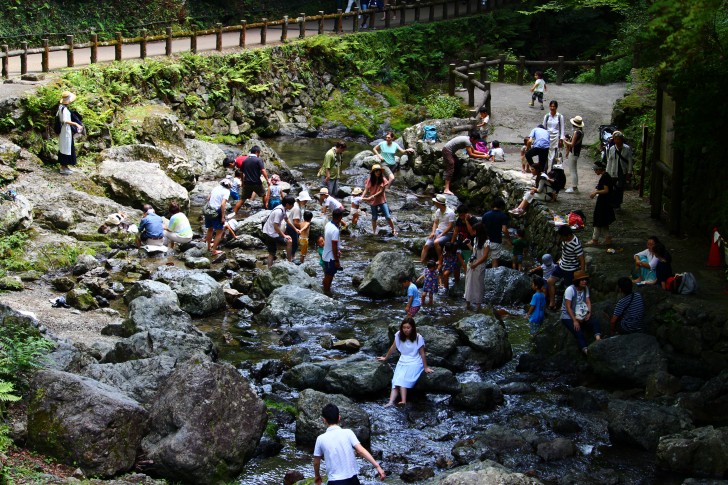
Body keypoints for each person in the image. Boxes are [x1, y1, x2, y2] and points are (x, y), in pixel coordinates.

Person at [313, 403, 386, 485]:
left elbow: (316, 462)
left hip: (335, 481)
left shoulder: (320, 439)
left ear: (324, 420)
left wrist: (317, 476)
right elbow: (361, 451)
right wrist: (377, 466)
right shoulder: (348, 433)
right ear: (339, 418)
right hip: (352, 480)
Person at [376, 317, 433, 407]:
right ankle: (391, 402)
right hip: (403, 360)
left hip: (415, 361)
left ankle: (403, 400)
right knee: (395, 381)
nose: (405, 330)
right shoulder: (398, 335)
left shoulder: (418, 337)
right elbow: (393, 348)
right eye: (404, 327)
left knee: (403, 379)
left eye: (408, 328)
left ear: (412, 328)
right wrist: (386, 358)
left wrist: (426, 367)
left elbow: (422, 353)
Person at [561, 270, 602, 355]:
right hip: (568, 315)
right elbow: (568, 307)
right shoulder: (570, 290)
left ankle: (598, 339)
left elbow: (588, 301)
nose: (584, 281)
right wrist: (575, 320)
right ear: (577, 281)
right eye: (582, 280)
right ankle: (586, 350)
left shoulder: (585, 288)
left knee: (595, 322)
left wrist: (588, 313)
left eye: (585, 279)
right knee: (578, 331)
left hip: (581, 312)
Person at [547, 225, 585, 311]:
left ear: (568, 235)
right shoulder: (564, 240)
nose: (560, 238)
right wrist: (560, 259)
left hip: (570, 269)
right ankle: (552, 303)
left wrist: (582, 272)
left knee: (567, 289)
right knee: (550, 281)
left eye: (562, 236)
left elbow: (582, 259)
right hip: (561, 265)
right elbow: (564, 251)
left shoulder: (576, 244)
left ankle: (564, 307)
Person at [441, 131, 488, 195]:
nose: (477, 142)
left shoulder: (469, 139)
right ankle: (446, 189)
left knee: (457, 164)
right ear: (473, 138)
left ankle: (451, 182)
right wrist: (483, 156)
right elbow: (471, 154)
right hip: (447, 151)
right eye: (476, 140)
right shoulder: (467, 141)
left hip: (449, 151)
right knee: (451, 167)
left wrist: (484, 153)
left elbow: (474, 151)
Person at [262, 196, 298, 268]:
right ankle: (289, 261)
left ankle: (269, 268)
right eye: (292, 204)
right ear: (287, 204)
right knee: (289, 241)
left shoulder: (282, 208)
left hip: (268, 231)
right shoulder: (279, 212)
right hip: (271, 233)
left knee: (272, 252)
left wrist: (295, 229)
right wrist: (284, 236)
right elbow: (276, 226)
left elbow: (287, 220)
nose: (293, 206)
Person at [233, 146, 270, 216]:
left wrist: (242, 181)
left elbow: (241, 172)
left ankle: (234, 213)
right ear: (257, 152)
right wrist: (267, 179)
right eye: (259, 153)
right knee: (263, 195)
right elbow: (263, 170)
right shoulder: (258, 160)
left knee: (242, 199)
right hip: (256, 183)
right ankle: (266, 209)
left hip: (247, 183)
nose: (259, 154)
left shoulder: (245, 161)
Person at [362, 164, 396, 236]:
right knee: (374, 217)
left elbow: (381, 191)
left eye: (379, 171)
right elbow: (366, 189)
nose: (378, 172)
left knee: (388, 216)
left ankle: (393, 229)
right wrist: (362, 197)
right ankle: (374, 232)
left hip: (381, 200)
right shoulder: (370, 180)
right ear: (373, 172)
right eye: (376, 171)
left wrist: (372, 196)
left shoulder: (383, 179)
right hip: (373, 201)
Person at [586, 162, 616, 246]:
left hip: (603, 202)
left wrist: (596, 192)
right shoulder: (606, 176)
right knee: (603, 220)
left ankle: (595, 239)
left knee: (598, 220)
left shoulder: (605, 177)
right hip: (605, 202)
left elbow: (606, 190)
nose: (595, 171)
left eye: (596, 170)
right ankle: (607, 237)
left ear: (599, 169)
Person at [420, 194, 455, 264]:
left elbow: (450, 226)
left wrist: (442, 234)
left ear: (439, 203)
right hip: (438, 231)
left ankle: (440, 260)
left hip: (448, 233)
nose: (435, 203)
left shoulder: (451, 213)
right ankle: (421, 260)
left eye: (436, 202)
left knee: (436, 242)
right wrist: (433, 232)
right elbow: (435, 223)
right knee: (427, 245)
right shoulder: (438, 211)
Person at [605, 131, 633, 209]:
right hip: (613, 170)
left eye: (618, 139)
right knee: (612, 187)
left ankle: (618, 202)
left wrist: (629, 172)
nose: (617, 141)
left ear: (621, 140)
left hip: (622, 171)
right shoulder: (612, 149)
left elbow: (630, 160)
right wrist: (607, 172)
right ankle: (613, 202)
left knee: (620, 188)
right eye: (615, 139)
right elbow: (609, 161)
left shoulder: (627, 148)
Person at [57, 91, 83, 175]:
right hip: (65, 131)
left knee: (66, 147)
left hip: (64, 131)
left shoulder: (61, 107)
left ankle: (65, 166)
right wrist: (76, 124)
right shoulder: (64, 109)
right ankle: (63, 167)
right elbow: (65, 120)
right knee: (66, 148)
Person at [480, 197, 510, 268]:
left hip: (485, 240)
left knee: (483, 258)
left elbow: (481, 228)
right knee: (495, 261)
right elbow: (504, 230)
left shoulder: (486, 215)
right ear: (502, 206)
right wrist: (508, 239)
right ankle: (493, 276)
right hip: (496, 240)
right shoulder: (503, 216)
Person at [464, 221, 488, 311]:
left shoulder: (486, 242)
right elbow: (474, 252)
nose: (473, 233)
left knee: (478, 285)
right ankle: (468, 303)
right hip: (472, 263)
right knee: (468, 283)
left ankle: (478, 305)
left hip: (479, 265)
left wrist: (476, 264)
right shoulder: (476, 239)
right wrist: (469, 245)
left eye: (474, 231)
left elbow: (485, 256)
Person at [205, 179, 231, 256]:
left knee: (210, 229)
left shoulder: (216, 188)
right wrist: (223, 217)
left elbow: (208, 198)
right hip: (216, 212)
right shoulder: (226, 191)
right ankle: (214, 251)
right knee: (219, 232)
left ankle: (208, 247)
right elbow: (223, 204)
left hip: (209, 210)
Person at [322, 208, 344, 295]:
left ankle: (325, 290)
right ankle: (326, 293)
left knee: (327, 275)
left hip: (326, 254)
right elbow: (334, 245)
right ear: (340, 217)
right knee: (329, 276)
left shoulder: (328, 224)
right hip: (330, 257)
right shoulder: (335, 230)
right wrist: (337, 260)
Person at [287, 190, 312, 259]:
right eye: (305, 200)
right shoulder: (297, 208)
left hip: (290, 225)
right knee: (294, 243)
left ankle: (291, 257)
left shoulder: (296, 204)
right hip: (292, 227)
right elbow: (295, 222)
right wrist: (304, 225)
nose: (306, 202)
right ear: (300, 200)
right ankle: (291, 257)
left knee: (294, 243)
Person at [563, 115, 584, 193]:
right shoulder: (581, 132)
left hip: (574, 152)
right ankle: (575, 186)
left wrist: (565, 141)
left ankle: (574, 188)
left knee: (572, 170)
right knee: (574, 170)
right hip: (577, 152)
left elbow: (572, 144)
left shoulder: (576, 132)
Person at [543, 100, 565, 166]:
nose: (552, 108)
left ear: (556, 107)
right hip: (547, 137)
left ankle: (554, 169)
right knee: (546, 152)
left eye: (554, 106)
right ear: (549, 107)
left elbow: (562, 128)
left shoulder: (560, 116)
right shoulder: (546, 116)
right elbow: (544, 127)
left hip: (556, 137)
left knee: (556, 153)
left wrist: (561, 139)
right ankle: (545, 169)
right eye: (551, 106)